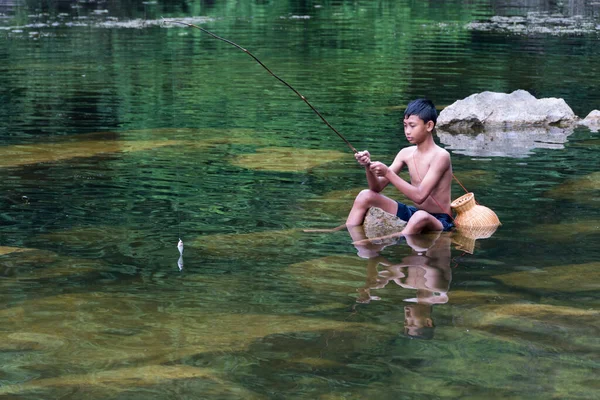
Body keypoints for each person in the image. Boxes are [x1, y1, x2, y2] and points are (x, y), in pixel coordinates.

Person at [346, 98, 454, 236]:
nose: (407, 131)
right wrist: (368, 165)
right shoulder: (405, 153)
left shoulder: (441, 156)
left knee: (420, 217)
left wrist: (387, 172)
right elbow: (376, 188)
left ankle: (390, 239)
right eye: (405, 125)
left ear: (429, 126)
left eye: (412, 126)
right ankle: (349, 233)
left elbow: (420, 196)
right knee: (365, 195)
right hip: (415, 213)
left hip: (440, 220)